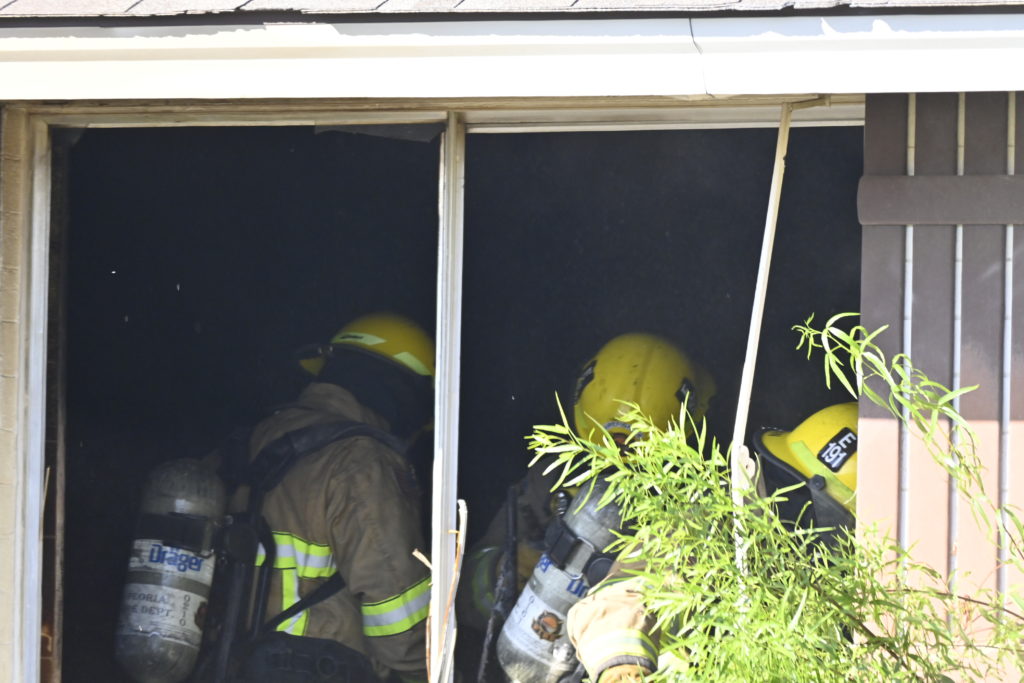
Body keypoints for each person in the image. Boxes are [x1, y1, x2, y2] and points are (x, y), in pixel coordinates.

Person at [458, 332, 715, 678]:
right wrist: (502, 571)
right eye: (604, 450)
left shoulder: (696, 512)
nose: (617, 464)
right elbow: (462, 598)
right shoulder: (549, 482)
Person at [564, 402, 859, 682]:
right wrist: (623, 672)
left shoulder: (840, 588)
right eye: (782, 480)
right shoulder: (712, 523)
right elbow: (619, 600)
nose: (774, 491)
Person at [236, 312, 435, 683]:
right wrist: (436, 672)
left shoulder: (251, 442)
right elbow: (399, 622)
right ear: (406, 395)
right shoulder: (360, 461)